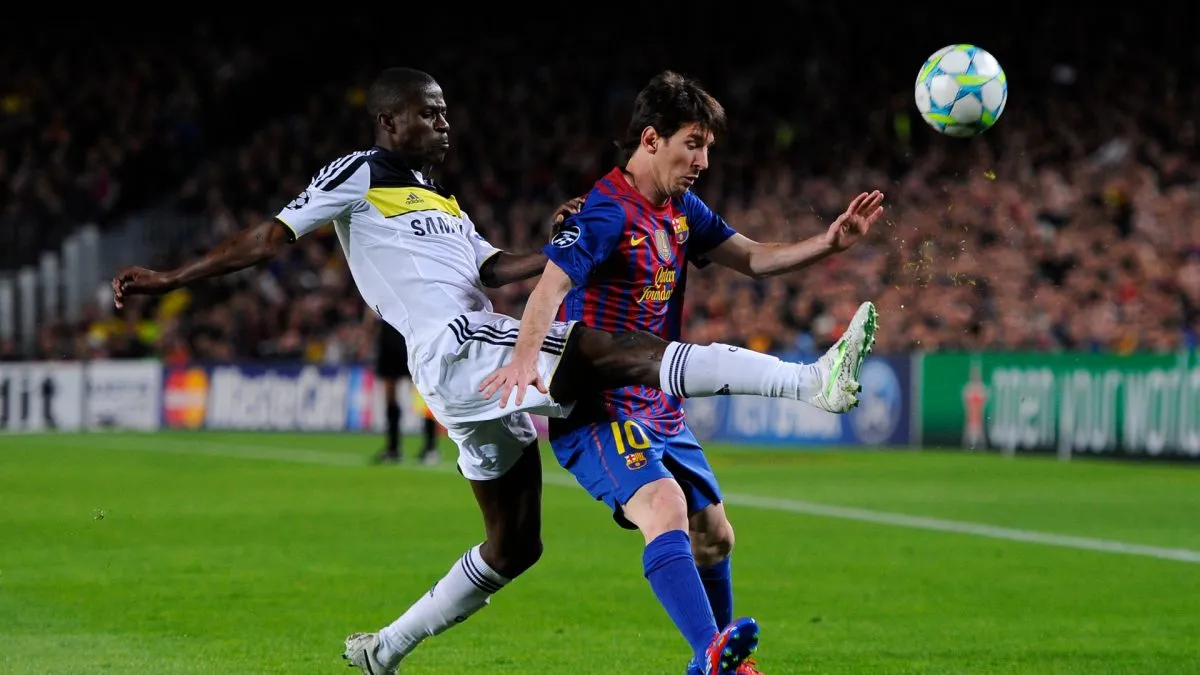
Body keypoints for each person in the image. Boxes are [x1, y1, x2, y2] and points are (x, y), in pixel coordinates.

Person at [112, 67, 875, 675]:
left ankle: (387, 646)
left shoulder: (443, 200)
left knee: (515, 545)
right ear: (388, 122)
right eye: (429, 112)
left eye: (445, 112)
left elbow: (500, 266)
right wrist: (173, 280)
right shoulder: (360, 171)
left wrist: (564, 239)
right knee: (609, 352)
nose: (444, 124)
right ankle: (807, 382)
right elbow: (269, 237)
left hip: (470, 371)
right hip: (460, 346)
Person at [481, 70, 884, 675]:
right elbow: (551, 283)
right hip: (599, 406)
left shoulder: (679, 208)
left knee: (716, 535)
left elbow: (751, 257)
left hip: (658, 405)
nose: (702, 160)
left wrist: (829, 242)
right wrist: (522, 359)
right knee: (663, 506)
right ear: (651, 140)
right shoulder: (606, 210)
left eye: (707, 148)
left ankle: (716, 659)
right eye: (692, 144)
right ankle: (715, 658)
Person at [373, 317, 439, 465]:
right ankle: (394, 448)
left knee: (421, 391)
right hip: (391, 331)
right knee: (391, 393)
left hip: (409, 331)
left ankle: (430, 447)